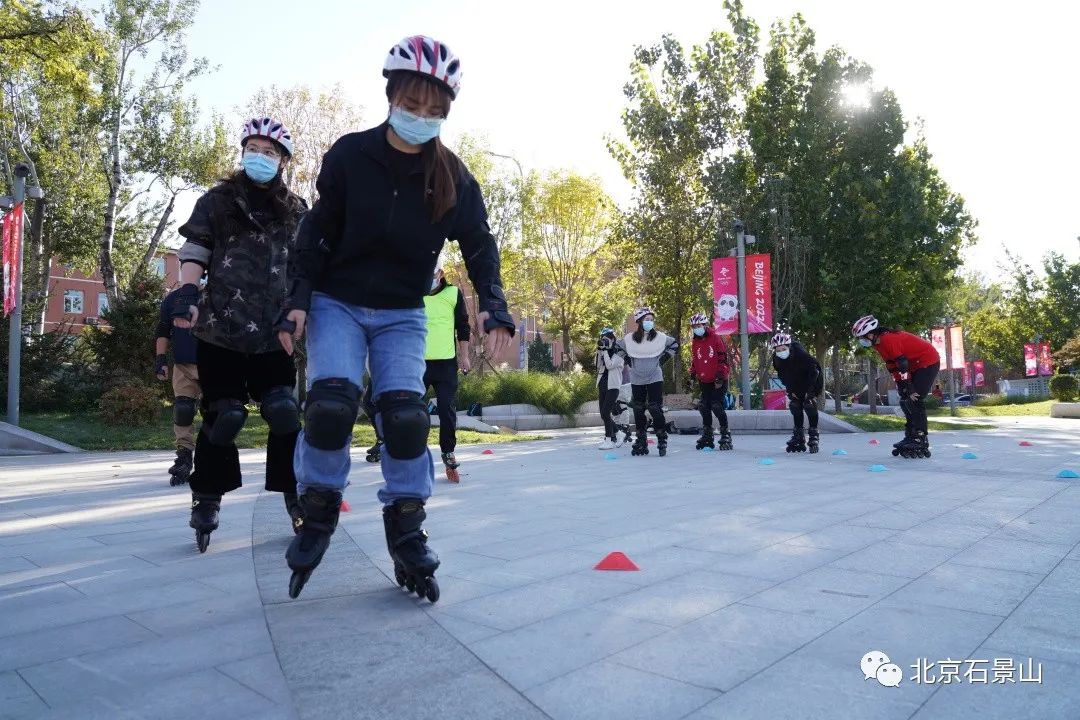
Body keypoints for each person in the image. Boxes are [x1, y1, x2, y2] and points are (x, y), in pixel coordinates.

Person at [277, 35, 515, 602]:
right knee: (331, 405)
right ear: (391, 98)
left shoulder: (453, 178)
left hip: (403, 313)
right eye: (412, 106)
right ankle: (317, 508)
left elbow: (480, 245)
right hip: (338, 300)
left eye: (434, 112)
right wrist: (298, 300)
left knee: (407, 419)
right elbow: (315, 234)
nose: (421, 119)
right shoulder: (350, 156)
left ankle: (406, 529)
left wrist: (495, 307)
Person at [172, 116, 308, 552]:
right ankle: (207, 497)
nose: (260, 156)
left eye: (269, 151)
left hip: (274, 333)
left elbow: (307, 269)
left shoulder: (298, 210)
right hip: (221, 330)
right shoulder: (217, 201)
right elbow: (195, 249)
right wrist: (189, 291)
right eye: (253, 148)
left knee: (285, 412)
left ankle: (295, 493)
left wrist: (303, 311)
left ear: (283, 160)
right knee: (224, 415)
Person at [852, 315, 939, 458]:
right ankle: (911, 435)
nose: (861, 341)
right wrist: (901, 385)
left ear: (870, 334)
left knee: (914, 398)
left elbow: (903, 365)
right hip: (913, 365)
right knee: (904, 400)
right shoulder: (878, 344)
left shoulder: (888, 340)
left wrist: (909, 387)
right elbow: (892, 366)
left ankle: (920, 437)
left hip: (927, 361)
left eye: (862, 337)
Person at [423, 262, 471, 482]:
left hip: (446, 364)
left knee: (446, 410)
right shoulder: (414, 293)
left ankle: (448, 452)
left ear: (440, 274)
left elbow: (463, 327)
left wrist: (465, 356)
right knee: (413, 412)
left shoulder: (453, 294)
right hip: (417, 364)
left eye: (431, 273)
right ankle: (414, 454)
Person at [617, 307, 678, 457]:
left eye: (651, 320)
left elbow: (675, 345)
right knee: (638, 408)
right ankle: (641, 439)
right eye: (646, 320)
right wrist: (627, 360)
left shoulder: (660, 337)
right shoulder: (630, 338)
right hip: (637, 377)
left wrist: (664, 358)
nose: (649, 322)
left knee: (654, 407)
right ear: (639, 321)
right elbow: (617, 347)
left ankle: (662, 437)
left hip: (654, 377)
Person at [155, 287, 200, 486]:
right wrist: (160, 359)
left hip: (216, 363)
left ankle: (213, 456)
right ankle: (184, 457)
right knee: (183, 409)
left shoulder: (221, 292)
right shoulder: (174, 298)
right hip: (183, 363)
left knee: (218, 412)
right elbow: (164, 329)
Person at [770, 332, 823, 454]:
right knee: (795, 405)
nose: (781, 351)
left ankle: (814, 434)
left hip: (812, 380)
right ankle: (799, 435)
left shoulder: (801, 355)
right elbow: (783, 376)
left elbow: (815, 372)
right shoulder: (777, 359)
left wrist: (810, 392)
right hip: (795, 383)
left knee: (808, 404)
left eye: (783, 349)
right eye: (778, 350)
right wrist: (791, 391)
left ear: (789, 347)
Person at [689, 312, 732, 451]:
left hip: (718, 379)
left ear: (705, 325)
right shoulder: (695, 341)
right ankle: (708, 433)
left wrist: (720, 375)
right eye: (694, 326)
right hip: (704, 379)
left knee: (716, 405)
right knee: (703, 406)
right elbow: (695, 359)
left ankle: (726, 433)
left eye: (699, 325)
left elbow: (722, 357)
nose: (696, 328)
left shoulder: (715, 337)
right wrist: (693, 373)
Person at [595, 328, 625, 449]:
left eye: (606, 340)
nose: (603, 342)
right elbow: (598, 366)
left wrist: (606, 351)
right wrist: (599, 351)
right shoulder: (604, 351)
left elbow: (610, 365)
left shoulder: (619, 353)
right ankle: (619, 433)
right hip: (602, 384)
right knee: (603, 414)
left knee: (606, 412)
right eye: (602, 340)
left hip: (613, 386)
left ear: (612, 339)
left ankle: (609, 440)